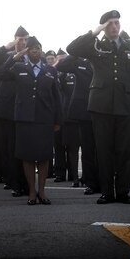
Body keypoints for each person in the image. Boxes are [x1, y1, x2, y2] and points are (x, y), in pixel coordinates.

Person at [66, 10, 130, 205]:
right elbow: (72, 48)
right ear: (103, 27)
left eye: (117, 23)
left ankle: (124, 192)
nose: (115, 26)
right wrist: (95, 31)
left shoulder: (129, 47)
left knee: (125, 150)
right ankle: (107, 192)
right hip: (101, 106)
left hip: (126, 105)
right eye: (110, 23)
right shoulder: (95, 45)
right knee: (104, 151)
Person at [0, 36, 63, 205]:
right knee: (27, 156)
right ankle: (32, 191)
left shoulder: (50, 70)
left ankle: (42, 191)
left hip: (44, 119)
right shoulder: (19, 67)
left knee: (44, 156)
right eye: (32, 48)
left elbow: (57, 98)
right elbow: (0, 74)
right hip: (25, 119)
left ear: (41, 50)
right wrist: (15, 57)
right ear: (27, 51)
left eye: (38, 48)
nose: (35, 50)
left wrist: (58, 120)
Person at [0, 26, 30, 197]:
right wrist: (11, 52)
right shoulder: (7, 57)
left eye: (25, 39)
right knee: (7, 148)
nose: (22, 42)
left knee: (23, 148)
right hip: (6, 110)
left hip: (25, 109)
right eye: (19, 39)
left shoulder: (34, 57)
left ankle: (24, 182)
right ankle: (12, 180)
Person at [56, 54, 99, 193]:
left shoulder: (103, 60)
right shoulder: (80, 62)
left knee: (103, 150)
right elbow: (61, 66)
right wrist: (76, 52)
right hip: (83, 112)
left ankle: (104, 181)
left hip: (102, 109)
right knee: (87, 150)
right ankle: (90, 182)